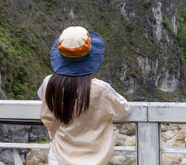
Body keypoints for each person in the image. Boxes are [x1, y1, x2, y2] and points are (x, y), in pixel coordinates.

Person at [37, 26, 130, 165]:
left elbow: (47, 111)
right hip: (94, 159)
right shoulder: (100, 89)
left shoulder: (48, 83)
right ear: (91, 56)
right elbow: (123, 109)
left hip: (58, 156)